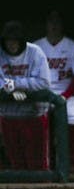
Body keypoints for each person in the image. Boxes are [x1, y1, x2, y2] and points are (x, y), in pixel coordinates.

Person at [33, 10, 74, 172]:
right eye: (50, 22)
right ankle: (43, 163)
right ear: (46, 25)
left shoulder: (71, 46)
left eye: (57, 23)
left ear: (62, 25)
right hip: (42, 93)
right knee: (37, 117)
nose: (53, 26)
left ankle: (70, 161)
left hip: (67, 93)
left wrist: (65, 96)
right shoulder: (36, 47)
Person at [0, 20, 51, 169]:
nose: (12, 44)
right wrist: (8, 89)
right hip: (8, 114)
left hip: (34, 114)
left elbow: (43, 82)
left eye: (15, 40)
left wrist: (16, 85)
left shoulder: (35, 52)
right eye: (8, 40)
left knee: (37, 163)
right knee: (17, 163)